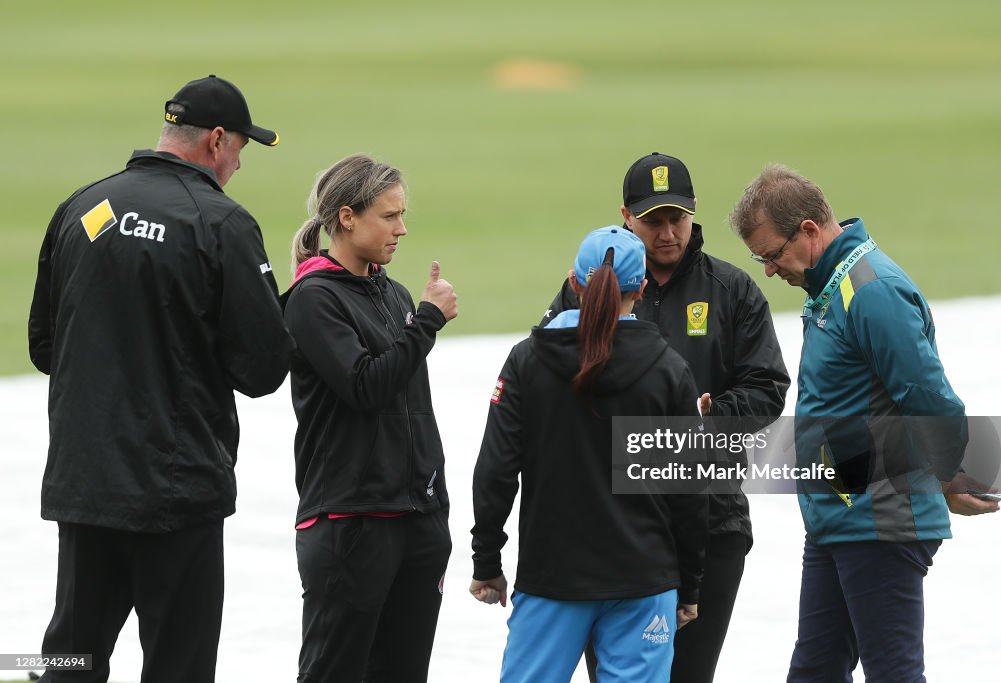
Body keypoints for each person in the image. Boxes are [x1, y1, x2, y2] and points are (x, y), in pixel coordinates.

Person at [26, 74, 292, 682]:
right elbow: (264, 369)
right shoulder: (222, 223)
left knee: (69, 657)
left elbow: (45, 347)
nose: (238, 167)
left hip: (85, 485)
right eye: (241, 152)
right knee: (179, 666)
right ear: (217, 140)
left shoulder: (83, 206)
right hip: (178, 492)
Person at [729, 164, 1001, 682]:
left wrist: (947, 474)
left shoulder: (869, 291)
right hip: (840, 515)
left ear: (809, 230)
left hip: (879, 519)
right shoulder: (834, 284)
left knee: (891, 673)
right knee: (815, 671)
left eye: (771, 255)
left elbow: (929, 396)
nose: (768, 269)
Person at [542, 152, 790, 682]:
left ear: (694, 212)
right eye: (653, 221)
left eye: (677, 218)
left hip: (711, 521)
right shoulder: (585, 289)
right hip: (611, 527)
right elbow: (543, 379)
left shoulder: (732, 291)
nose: (668, 233)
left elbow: (768, 389)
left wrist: (708, 419)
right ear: (627, 217)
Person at [472, 226, 709, 683]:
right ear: (640, 290)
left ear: (574, 283)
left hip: (552, 579)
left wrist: (487, 560)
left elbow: (496, 470)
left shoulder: (527, 361)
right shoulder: (669, 370)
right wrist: (690, 583)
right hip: (645, 581)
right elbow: (689, 490)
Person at [281, 154, 457, 683]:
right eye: (389, 215)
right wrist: (425, 322)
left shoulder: (393, 293)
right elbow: (365, 386)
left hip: (415, 519)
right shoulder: (312, 299)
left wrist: (436, 508)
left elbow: (414, 407)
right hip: (350, 522)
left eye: (403, 215)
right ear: (347, 217)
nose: (401, 229)